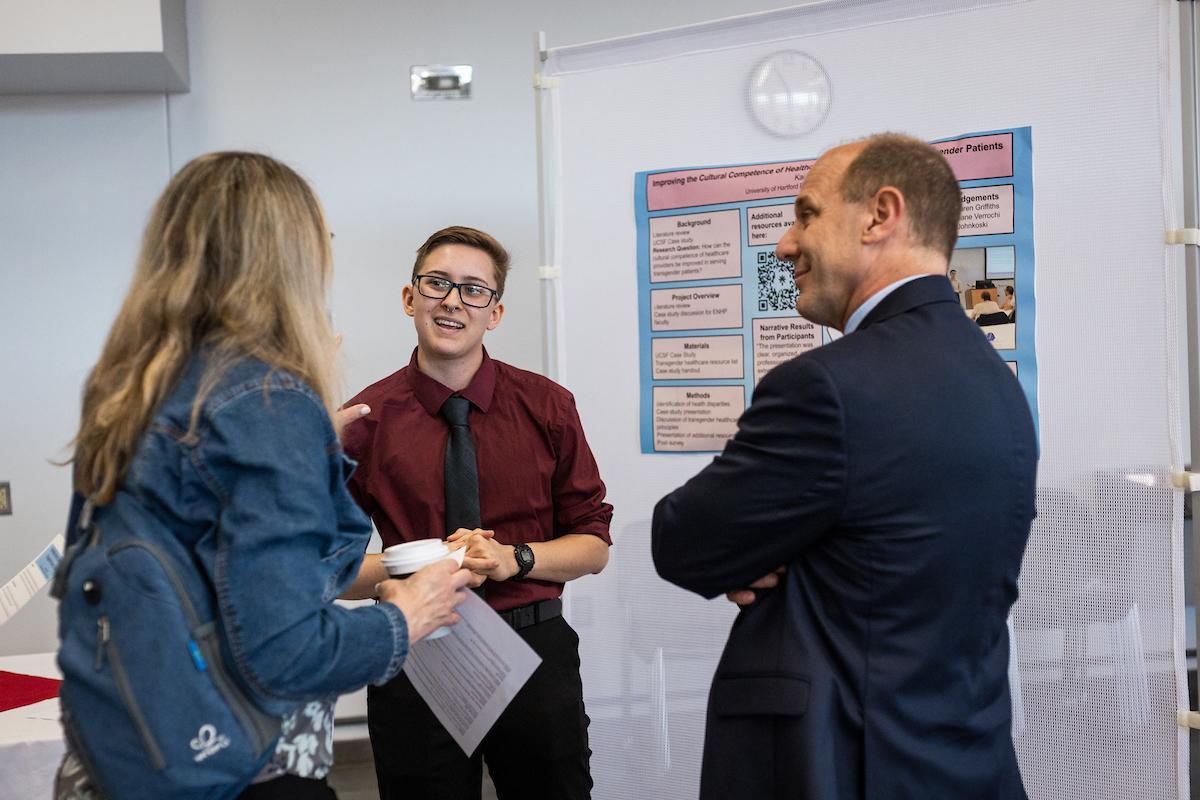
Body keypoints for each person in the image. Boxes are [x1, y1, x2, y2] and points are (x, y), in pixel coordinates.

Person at [55, 152, 470, 800]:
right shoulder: (266, 403)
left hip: (129, 746)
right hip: (242, 767)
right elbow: (287, 650)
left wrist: (312, 446)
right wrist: (406, 617)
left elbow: (226, 567)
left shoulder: (127, 387)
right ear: (287, 262)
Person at [651, 134, 1036, 799]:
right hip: (963, 762)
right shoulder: (996, 382)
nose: (784, 245)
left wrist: (757, 548)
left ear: (879, 216)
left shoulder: (825, 387)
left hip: (843, 765)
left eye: (806, 215)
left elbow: (682, 541)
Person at [338, 226, 613, 800]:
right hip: (416, 651)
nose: (453, 301)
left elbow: (593, 546)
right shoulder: (365, 420)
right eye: (438, 283)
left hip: (533, 650)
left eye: (473, 290)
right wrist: (405, 573)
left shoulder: (547, 407)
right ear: (411, 298)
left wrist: (516, 558)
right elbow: (322, 566)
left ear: (496, 311)